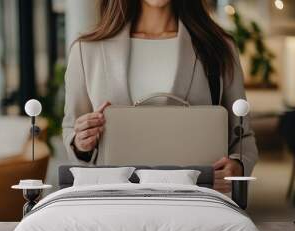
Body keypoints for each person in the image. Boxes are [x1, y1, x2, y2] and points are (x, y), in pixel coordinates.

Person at [62, 0, 258, 193]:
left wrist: (237, 166)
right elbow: (73, 128)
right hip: (115, 201)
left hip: (196, 201)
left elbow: (242, 135)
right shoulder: (87, 50)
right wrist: (81, 143)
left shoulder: (219, 47)